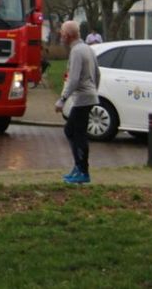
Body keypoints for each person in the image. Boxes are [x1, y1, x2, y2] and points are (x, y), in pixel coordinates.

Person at [55, 20, 99, 185]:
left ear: (67, 35)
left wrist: (62, 99)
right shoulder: (87, 48)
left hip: (82, 98)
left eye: (61, 33)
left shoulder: (76, 52)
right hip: (88, 96)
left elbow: (73, 79)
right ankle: (78, 167)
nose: (60, 35)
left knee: (76, 133)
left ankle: (82, 170)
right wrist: (94, 90)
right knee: (72, 131)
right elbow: (97, 72)